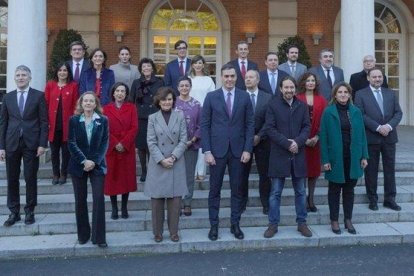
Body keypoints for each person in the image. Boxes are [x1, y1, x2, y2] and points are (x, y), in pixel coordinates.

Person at [201, 63, 254, 241]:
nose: (229, 79)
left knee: (237, 190)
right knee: (214, 191)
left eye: (232, 76)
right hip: (216, 151)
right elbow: (205, 125)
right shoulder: (211, 97)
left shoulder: (244, 97)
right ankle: (214, 226)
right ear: (221, 77)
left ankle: (235, 224)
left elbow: (249, 125)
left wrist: (248, 149)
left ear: (236, 77)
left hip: (239, 152)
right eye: (226, 76)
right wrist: (207, 150)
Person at [263, 76, 312, 238]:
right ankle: (273, 224)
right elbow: (270, 129)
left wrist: (297, 142)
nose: (289, 90)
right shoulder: (273, 105)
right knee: (275, 192)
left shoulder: (302, 106)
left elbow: (307, 127)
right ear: (280, 89)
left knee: (300, 191)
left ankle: (302, 223)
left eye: (292, 87)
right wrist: (287, 143)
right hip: (279, 154)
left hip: (298, 154)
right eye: (286, 87)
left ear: (295, 89)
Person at [0, 65, 48, 227]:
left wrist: (42, 144)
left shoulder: (39, 96)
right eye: (18, 75)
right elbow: (3, 123)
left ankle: (29, 211)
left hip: (31, 143)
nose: (20, 77)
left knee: (30, 178)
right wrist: (1, 147)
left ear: (29, 77)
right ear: (15, 78)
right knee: (12, 179)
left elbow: (44, 122)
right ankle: (14, 212)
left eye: (24, 75)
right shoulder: (8, 97)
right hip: (11, 143)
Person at [320, 82, 369, 234]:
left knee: (349, 190)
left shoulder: (356, 112)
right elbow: (324, 137)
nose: (343, 95)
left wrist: (364, 155)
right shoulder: (328, 112)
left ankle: (348, 219)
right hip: (335, 158)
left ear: (349, 94)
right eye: (340, 92)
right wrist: (325, 160)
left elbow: (362, 134)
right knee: (334, 190)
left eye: (345, 92)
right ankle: (334, 220)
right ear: (335, 95)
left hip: (353, 157)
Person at [354, 68, 403, 211]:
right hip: (371, 137)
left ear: (383, 78)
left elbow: (398, 113)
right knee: (371, 170)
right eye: (374, 77)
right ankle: (372, 199)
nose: (377, 79)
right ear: (368, 78)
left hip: (389, 137)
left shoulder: (391, 93)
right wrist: (377, 127)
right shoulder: (360, 94)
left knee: (390, 169)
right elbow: (360, 114)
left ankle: (390, 199)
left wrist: (388, 126)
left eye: (380, 77)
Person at [144, 87, 188, 243]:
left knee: (175, 202)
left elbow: (184, 140)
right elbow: (151, 141)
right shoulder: (152, 118)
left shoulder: (180, 116)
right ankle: (157, 232)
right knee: (156, 202)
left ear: (173, 100)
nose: (167, 102)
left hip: (176, 162)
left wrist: (174, 156)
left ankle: (174, 232)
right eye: (164, 99)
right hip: (158, 163)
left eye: (169, 99)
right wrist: (162, 159)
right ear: (158, 101)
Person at [67, 92, 109, 248]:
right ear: (81, 103)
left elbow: (105, 143)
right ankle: (83, 235)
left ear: (96, 103)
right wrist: (84, 160)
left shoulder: (103, 120)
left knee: (98, 200)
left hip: (97, 165)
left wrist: (94, 161)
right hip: (78, 165)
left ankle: (99, 237)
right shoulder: (74, 120)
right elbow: (71, 142)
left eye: (91, 101)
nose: (88, 103)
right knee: (80, 200)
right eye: (86, 101)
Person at [103, 82, 138, 220]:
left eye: (123, 91)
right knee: (112, 179)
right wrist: (114, 143)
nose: (120, 93)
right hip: (111, 148)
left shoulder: (131, 107)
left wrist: (123, 143)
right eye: (117, 90)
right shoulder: (106, 108)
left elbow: (134, 127)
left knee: (126, 179)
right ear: (113, 93)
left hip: (126, 148)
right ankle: (114, 208)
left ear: (126, 94)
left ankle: (124, 207)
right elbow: (104, 128)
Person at [240, 70, 272, 215]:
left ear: (258, 80)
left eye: (251, 77)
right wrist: (248, 137)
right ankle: (241, 203)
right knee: (242, 174)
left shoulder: (268, 97)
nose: (248, 79)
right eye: (246, 77)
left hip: (263, 141)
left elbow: (270, 120)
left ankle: (266, 203)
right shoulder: (239, 96)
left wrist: (259, 135)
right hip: (242, 142)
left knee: (264, 175)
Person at [296, 72, 327, 212]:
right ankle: (302, 200)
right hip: (301, 142)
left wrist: (317, 137)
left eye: (313, 80)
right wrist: (303, 139)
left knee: (314, 173)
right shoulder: (297, 98)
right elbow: (293, 121)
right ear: (303, 82)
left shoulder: (321, 100)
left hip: (316, 142)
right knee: (302, 172)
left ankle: (311, 200)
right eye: (308, 80)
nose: (310, 83)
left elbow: (325, 122)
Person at [44, 62, 79, 185]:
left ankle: (64, 173)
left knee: (66, 152)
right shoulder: (50, 85)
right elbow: (45, 104)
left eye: (65, 70)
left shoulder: (73, 86)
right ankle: (55, 174)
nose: (62, 72)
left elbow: (76, 105)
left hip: (67, 126)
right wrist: (46, 122)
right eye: (60, 70)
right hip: (53, 125)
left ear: (68, 72)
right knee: (54, 152)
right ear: (57, 72)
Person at [129, 58, 163, 182]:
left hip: (155, 117)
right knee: (142, 146)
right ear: (141, 69)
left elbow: (162, 100)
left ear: (152, 68)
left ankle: (153, 170)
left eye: (148, 66)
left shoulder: (159, 82)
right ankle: (144, 170)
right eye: (144, 67)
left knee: (153, 145)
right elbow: (131, 100)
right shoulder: (136, 83)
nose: (146, 68)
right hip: (140, 117)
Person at [175, 76, 202, 216]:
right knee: (176, 175)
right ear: (178, 87)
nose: (184, 88)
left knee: (189, 175)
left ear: (190, 87)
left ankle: (187, 203)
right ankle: (176, 203)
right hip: (174, 147)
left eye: (187, 85)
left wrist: (192, 140)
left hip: (191, 145)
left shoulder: (197, 104)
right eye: (182, 85)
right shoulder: (172, 103)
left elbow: (201, 124)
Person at [188, 55, 215, 180]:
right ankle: (192, 171)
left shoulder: (208, 80)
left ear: (203, 65)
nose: (198, 65)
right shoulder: (188, 79)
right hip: (190, 113)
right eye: (195, 63)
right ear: (192, 65)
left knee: (202, 142)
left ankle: (201, 172)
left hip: (205, 113)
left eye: (200, 63)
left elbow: (212, 97)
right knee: (192, 142)